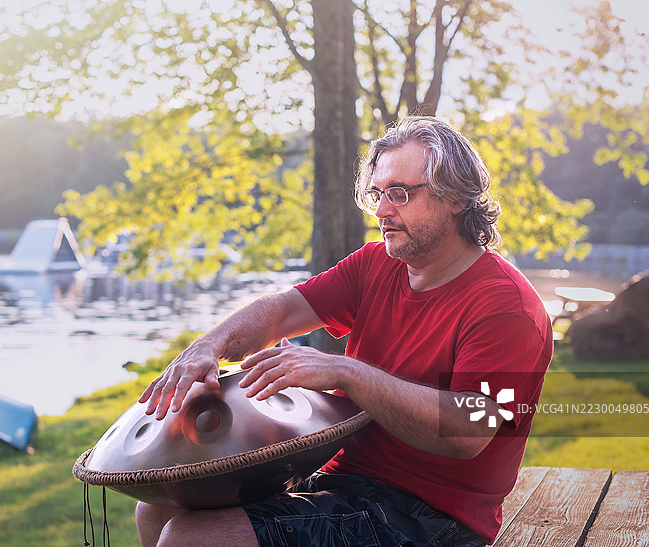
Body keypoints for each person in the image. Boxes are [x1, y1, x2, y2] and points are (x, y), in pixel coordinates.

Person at [135, 116, 552, 547]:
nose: (382, 210)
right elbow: (280, 312)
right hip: (339, 479)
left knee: (191, 538)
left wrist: (346, 372)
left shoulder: (507, 308)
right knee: (157, 508)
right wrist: (208, 346)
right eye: (377, 194)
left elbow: (469, 432)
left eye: (400, 194)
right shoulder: (375, 264)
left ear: (457, 198)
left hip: (429, 515)